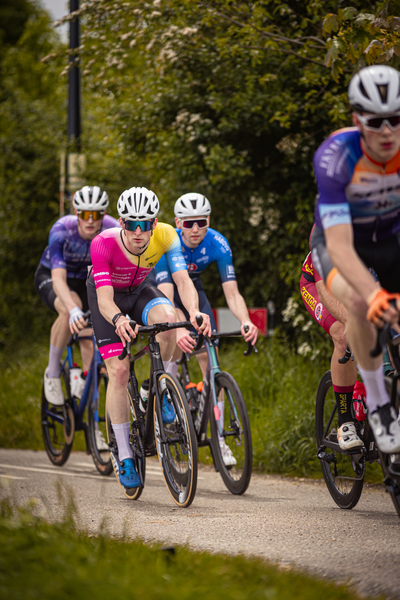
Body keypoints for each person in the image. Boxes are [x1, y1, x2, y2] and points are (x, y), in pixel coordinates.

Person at [87, 186, 211, 489]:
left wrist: (193, 311)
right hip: (109, 300)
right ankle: (126, 456)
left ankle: (156, 389)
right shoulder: (102, 244)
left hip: (141, 292)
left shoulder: (167, 235)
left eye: (146, 224)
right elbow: (104, 300)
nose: (139, 232)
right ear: (120, 222)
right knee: (119, 370)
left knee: (169, 320)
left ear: (155, 223)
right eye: (132, 224)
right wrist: (118, 319)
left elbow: (182, 280)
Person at [311, 64, 400, 454]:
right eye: (375, 121)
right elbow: (342, 247)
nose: (386, 131)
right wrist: (378, 296)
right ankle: (378, 405)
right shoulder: (335, 155)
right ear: (356, 120)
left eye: (395, 119)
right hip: (340, 245)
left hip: (390, 239)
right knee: (361, 306)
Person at [154, 192, 258, 466]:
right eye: (189, 223)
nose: (196, 229)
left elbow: (232, 294)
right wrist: (178, 328)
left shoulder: (218, 243)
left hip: (194, 291)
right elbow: (166, 297)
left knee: (210, 356)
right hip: (166, 290)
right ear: (178, 223)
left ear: (208, 220)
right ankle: (168, 395)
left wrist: (245, 320)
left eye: (201, 222)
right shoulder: (168, 242)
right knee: (175, 340)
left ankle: (219, 440)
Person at [35, 185, 119, 407]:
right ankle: (52, 373)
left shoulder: (112, 229)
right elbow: (59, 279)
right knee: (69, 310)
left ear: (104, 214)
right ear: (76, 213)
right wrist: (72, 309)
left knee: (90, 338)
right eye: (84, 214)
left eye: (96, 215)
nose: (90, 221)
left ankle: (87, 400)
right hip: (55, 277)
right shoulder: (61, 230)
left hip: (86, 280)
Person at [300, 241, 361, 450]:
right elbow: (325, 289)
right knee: (343, 335)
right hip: (321, 283)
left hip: (360, 283)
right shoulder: (328, 222)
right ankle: (345, 421)